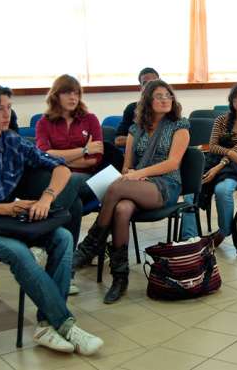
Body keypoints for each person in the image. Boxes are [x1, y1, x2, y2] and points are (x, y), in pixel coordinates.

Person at [0, 83, 103, 355]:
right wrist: (9, 208)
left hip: (5, 219)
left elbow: (60, 168)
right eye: (0, 108)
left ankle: (46, 325)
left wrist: (47, 198)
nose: (7, 114)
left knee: (63, 237)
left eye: (9, 107)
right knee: (19, 253)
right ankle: (65, 324)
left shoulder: (12, 142)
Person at [73, 80, 190, 304]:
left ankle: (92, 243)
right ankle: (120, 278)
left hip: (166, 184)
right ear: (147, 101)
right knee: (122, 208)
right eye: (159, 96)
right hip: (137, 183)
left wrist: (138, 174)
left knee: (116, 186)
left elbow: (172, 164)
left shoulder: (179, 125)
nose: (165, 99)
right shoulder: (135, 129)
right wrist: (133, 173)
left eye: (168, 95)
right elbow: (126, 166)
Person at [181, 82, 237, 246]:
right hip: (214, 160)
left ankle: (224, 231)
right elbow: (212, 146)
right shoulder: (221, 120)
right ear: (231, 100)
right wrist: (230, 153)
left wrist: (220, 166)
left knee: (222, 190)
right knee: (190, 191)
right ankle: (190, 239)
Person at [36, 74, 103, 203]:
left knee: (70, 179)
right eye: (67, 93)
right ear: (56, 96)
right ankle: (59, 220)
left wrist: (56, 158)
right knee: (75, 203)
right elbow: (42, 155)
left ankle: (50, 218)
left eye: (76, 93)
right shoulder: (44, 122)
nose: (73, 98)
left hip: (85, 176)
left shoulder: (90, 119)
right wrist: (84, 150)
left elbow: (94, 159)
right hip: (54, 175)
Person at [114, 67, 160, 147]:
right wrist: (147, 139)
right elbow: (118, 140)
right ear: (140, 87)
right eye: (145, 83)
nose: (150, 86)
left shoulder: (169, 107)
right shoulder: (132, 108)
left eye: (153, 82)